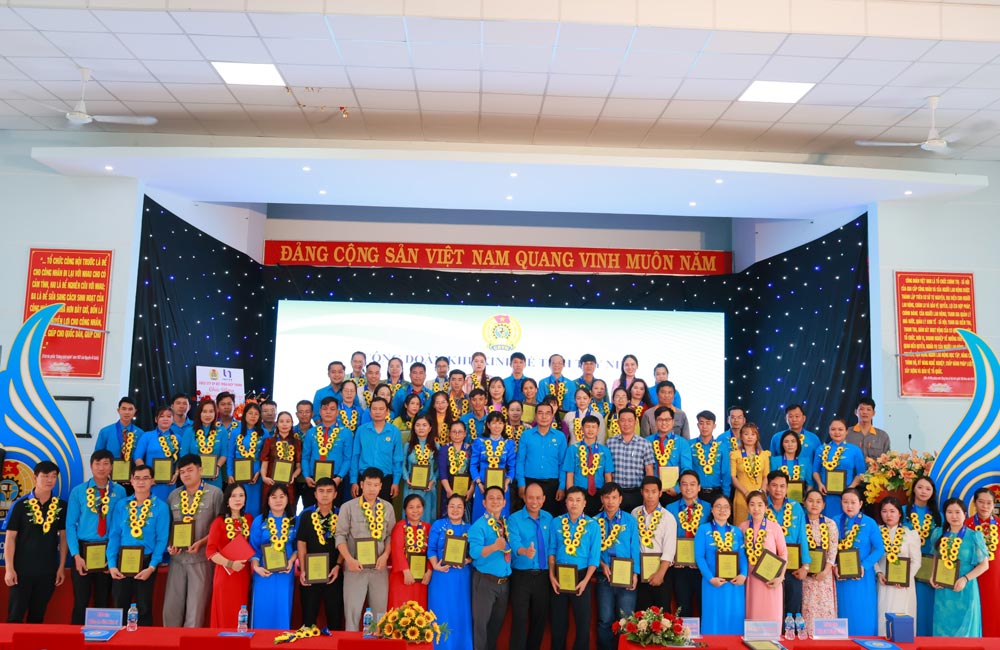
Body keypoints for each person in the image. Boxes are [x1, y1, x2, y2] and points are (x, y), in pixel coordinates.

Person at [66, 450, 127, 624]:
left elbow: (121, 526)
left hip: (108, 550)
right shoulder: (79, 491)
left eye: (106, 463)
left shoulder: (120, 491)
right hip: (83, 550)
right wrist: (76, 556)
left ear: (112, 466)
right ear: (91, 466)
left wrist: (113, 558)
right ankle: (76, 641)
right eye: (97, 464)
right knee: (81, 601)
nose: (101, 468)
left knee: (103, 601)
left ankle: (102, 640)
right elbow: (70, 525)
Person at [162, 454, 224, 627]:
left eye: (190, 470)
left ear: (200, 470)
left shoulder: (214, 494)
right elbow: (168, 527)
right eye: (182, 472)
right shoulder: (174, 496)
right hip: (177, 560)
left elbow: (219, 528)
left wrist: (202, 542)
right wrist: (170, 546)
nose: (186, 475)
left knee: (195, 612)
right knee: (171, 610)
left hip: (201, 560)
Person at [106, 463, 170, 627]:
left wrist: (152, 567)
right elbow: (114, 535)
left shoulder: (161, 507)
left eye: (145, 478)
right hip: (122, 562)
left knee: (144, 607)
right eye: (137, 478)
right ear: (131, 481)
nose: (141, 482)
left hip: (146, 563)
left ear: (153, 481)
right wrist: (112, 564)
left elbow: (161, 540)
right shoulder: (121, 505)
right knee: (120, 605)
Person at [4, 461, 67, 623]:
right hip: (21, 572)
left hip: (47, 572)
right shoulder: (20, 505)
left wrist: (60, 568)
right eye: (45, 476)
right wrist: (9, 569)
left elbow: (63, 537)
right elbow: (10, 538)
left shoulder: (61, 506)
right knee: (15, 616)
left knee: (37, 617)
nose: (50, 480)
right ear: (34, 478)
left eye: (53, 476)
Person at [336, 467, 396, 631]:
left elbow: (391, 536)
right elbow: (340, 536)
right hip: (355, 568)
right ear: (361, 484)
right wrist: (349, 560)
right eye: (368, 484)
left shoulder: (388, 508)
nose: (372, 489)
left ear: (381, 486)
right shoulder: (348, 507)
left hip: (379, 568)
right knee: (352, 615)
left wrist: (385, 556)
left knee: (380, 616)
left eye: (376, 485)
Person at [548, 487, 599, 650]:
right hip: (559, 575)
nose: (574, 504)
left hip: (582, 575)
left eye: (578, 500)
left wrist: (585, 581)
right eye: (571, 499)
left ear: (584, 503)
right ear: (566, 502)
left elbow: (594, 557)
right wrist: (551, 575)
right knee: (558, 622)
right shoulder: (556, 522)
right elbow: (552, 550)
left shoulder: (593, 525)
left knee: (583, 623)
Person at [931, 497, 990, 637]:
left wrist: (965, 578)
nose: (954, 516)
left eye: (958, 512)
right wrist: (933, 575)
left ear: (965, 513)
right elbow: (935, 557)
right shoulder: (938, 533)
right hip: (943, 591)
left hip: (965, 589)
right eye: (949, 512)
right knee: (942, 629)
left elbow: (984, 565)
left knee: (965, 633)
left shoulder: (974, 536)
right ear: (944, 514)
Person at [595, 482, 640, 650]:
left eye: (614, 497)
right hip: (604, 576)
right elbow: (592, 551)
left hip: (626, 576)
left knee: (626, 620)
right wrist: (602, 564)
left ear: (620, 499)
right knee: (605, 619)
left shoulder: (630, 520)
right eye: (607, 497)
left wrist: (635, 573)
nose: (610, 501)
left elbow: (635, 548)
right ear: (602, 499)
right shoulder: (594, 522)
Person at [508, 483, 552, 650]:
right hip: (521, 576)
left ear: (544, 499)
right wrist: (525, 551)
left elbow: (553, 546)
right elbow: (514, 543)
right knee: (519, 620)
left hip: (543, 576)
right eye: (531, 497)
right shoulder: (514, 519)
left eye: (538, 498)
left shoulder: (549, 518)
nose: (534, 501)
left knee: (539, 620)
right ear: (524, 498)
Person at [834, 487, 884, 636]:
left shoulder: (869, 523)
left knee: (863, 613)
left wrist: (865, 566)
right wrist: (834, 566)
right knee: (843, 610)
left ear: (860, 504)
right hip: (840, 577)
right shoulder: (834, 521)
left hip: (863, 577)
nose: (849, 506)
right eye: (845, 502)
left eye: (853, 502)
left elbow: (879, 549)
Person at [296, 477, 344, 631]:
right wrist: (303, 569)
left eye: (329, 491)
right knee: (308, 619)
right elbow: (301, 543)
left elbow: (346, 542)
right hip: (312, 573)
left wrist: (338, 565)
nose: (325, 495)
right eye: (321, 491)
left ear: (335, 494)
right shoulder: (305, 515)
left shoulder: (341, 514)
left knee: (335, 618)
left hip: (333, 573)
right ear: (315, 494)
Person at [696, 494, 748, 634]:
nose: (722, 510)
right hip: (712, 582)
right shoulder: (703, 530)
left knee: (734, 618)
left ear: (730, 511)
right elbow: (700, 557)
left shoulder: (736, 531)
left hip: (734, 583)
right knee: (713, 618)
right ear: (712, 510)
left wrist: (743, 574)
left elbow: (743, 556)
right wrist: (710, 578)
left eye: (726, 507)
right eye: (718, 506)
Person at [468, 486, 512, 650]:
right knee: (481, 626)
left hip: (504, 583)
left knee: (495, 626)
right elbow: (474, 553)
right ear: (484, 503)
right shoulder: (478, 526)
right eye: (491, 498)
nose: (495, 501)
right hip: (485, 582)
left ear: (504, 502)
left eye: (499, 498)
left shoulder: (504, 524)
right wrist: (494, 546)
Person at [249, 484, 298, 629]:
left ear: (288, 499)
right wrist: (256, 567)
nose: (278, 500)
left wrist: (291, 561)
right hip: (264, 573)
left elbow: (297, 547)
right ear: (268, 500)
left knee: (282, 608)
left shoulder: (293, 521)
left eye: (282, 496)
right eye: (274, 497)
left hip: (285, 572)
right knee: (262, 609)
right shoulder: (259, 521)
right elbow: (253, 548)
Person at [428, 494, 473, 650]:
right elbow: (431, 549)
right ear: (446, 508)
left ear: (464, 509)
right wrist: (435, 566)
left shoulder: (469, 528)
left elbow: (474, 553)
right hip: (441, 576)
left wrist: (467, 560)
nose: (455, 510)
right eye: (452, 506)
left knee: (461, 613)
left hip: (462, 578)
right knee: (441, 613)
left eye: (459, 506)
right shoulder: (438, 525)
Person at [206, 483, 253, 628]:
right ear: (227, 499)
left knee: (240, 613)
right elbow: (210, 552)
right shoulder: (219, 522)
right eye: (233, 496)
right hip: (225, 574)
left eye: (241, 495)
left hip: (243, 574)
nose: (238, 499)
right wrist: (231, 564)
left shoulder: (250, 520)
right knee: (224, 613)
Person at [765, 470, 811, 618]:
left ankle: (791, 638)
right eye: (774, 485)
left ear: (787, 487)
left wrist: (805, 566)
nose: (778, 489)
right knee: (770, 606)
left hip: (792, 564)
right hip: (767, 564)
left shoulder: (796, 507)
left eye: (782, 486)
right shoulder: (761, 505)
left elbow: (802, 537)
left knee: (792, 606)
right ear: (767, 486)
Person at [665, 470, 710, 616]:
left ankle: (706, 639)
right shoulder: (670, 509)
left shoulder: (710, 508)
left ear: (699, 487)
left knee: (704, 606)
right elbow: (667, 537)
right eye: (684, 484)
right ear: (679, 487)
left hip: (703, 566)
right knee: (683, 607)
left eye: (692, 484)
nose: (688, 488)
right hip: (680, 567)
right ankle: (685, 638)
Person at [875, 496, 921, 635]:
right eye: (884, 511)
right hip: (884, 582)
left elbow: (916, 561)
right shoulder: (876, 531)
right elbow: (872, 557)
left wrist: (905, 579)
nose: (888, 515)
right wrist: (878, 573)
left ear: (900, 513)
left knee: (903, 615)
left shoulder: (910, 534)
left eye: (892, 511)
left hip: (904, 585)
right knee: (883, 614)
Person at [740, 490, 787, 624]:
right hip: (751, 579)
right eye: (752, 505)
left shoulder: (774, 527)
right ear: (748, 507)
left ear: (766, 507)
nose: (756, 509)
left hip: (771, 580)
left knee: (771, 616)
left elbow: (783, 553)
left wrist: (780, 577)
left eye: (760, 505)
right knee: (753, 614)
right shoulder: (742, 527)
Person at [631, 476, 677, 610]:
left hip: (662, 572)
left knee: (662, 616)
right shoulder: (634, 513)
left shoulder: (668, 517)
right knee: (642, 616)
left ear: (660, 493)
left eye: (654, 491)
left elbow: (669, 549)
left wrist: (660, 574)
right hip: (641, 572)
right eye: (646, 491)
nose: (650, 495)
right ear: (641, 492)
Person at [517, 402, 568, 516]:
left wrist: (561, 486)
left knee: (551, 518)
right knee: (529, 518)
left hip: (552, 486)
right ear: (535, 416)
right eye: (540, 413)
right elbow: (520, 461)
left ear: (552, 416)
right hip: (530, 482)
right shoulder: (526, 435)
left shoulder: (560, 436)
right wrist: (521, 484)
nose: (544, 416)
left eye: (547, 413)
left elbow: (563, 463)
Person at [302, 397, 353, 510]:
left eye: (332, 409)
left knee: (335, 515)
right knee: (311, 513)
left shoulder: (346, 433)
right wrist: (306, 476)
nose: (328, 412)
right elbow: (305, 457)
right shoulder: (311, 433)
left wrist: (339, 478)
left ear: (337, 412)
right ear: (320, 412)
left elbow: (348, 458)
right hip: (313, 480)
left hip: (335, 480)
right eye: (325, 409)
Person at [905, 475, 940, 637]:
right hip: (906, 566)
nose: (924, 491)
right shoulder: (903, 511)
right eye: (920, 487)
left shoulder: (938, 515)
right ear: (913, 489)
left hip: (929, 567)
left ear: (933, 492)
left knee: (926, 606)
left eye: (928, 488)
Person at [801, 488, 839, 636]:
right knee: (807, 606)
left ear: (823, 505)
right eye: (810, 501)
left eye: (818, 502)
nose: (814, 505)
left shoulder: (830, 524)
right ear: (805, 503)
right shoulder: (799, 523)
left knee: (825, 608)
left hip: (825, 575)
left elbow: (833, 549)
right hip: (805, 574)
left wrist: (825, 571)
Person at [350, 397, 402, 502]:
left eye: (381, 409)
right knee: (363, 514)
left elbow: (397, 459)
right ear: (370, 411)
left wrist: (396, 482)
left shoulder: (394, 432)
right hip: (364, 479)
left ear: (387, 411)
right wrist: (354, 481)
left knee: (383, 514)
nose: (377, 412)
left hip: (385, 480)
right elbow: (355, 457)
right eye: (374, 409)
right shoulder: (361, 430)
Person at [563, 414, 614, 516]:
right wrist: (571, 496)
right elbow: (569, 475)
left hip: (598, 493)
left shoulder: (605, 451)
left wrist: (607, 497)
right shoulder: (573, 449)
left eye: (593, 427)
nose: (590, 430)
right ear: (582, 429)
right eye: (587, 427)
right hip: (579, 494)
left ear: (598, 429)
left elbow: (608, 476)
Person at [814, 418, 866, 519]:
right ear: (829, 431)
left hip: (847, 495)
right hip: (826, 494)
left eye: (840, 429)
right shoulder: (821, 449)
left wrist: (851, 487)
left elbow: (861, 473)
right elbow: (815, 471)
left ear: (846, 431)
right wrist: (820, 484)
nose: (837, 432)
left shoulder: (854, 450)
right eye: (833, 429)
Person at [607, 408, 655, 514]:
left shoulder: (644, 444)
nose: (626, 423)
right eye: (623, 420)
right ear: (618, 422)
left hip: (637, 493)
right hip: (616, 493)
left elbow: (649, 471)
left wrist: (648, 494)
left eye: (630, 420)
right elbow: (607, 471)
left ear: (635, 422)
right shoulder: (610, 443)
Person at [966, 487, 999, 637]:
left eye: (989, 503)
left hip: (995, 577)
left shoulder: (999, 524)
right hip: (972, 575)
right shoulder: (965, 525)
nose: (985, 507)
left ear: (994, 505)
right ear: (974, 503)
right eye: (981, 502)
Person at [388, 494, 431, 608]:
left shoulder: (428, 527)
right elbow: (397, 550)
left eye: (418, 507)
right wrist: (406, 571)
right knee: (400, 609)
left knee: (419, 611)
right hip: (402, 577)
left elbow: (432, 551)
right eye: (411, 507)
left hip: (421, 578)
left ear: (423, 508)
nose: (415, 511)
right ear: (405, 509)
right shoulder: (399, 526)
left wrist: (429, 571)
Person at [646, 405, 692, 506]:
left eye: (667, 419)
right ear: (655, 421)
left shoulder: (682, 443)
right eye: (660, 420)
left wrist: (677, 488)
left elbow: (686, 469)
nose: (664, 423)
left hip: (674, 493)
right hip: (652, 493)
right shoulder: (647, 442)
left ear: (673, 421)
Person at [472, 412, 515, 520]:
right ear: (488, 425)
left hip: (502, 487)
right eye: (494, 423)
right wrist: (479, 483)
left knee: (500, 518)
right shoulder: (479, 442)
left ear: (504, 425)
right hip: (482, 486)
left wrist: (507, 482)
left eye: (500, 423)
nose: (497, 426)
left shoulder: (509, 443)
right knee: (480, 517)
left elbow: (512, 467)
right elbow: (473, 465)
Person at [226, 402, 265, 518]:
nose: (253, 416)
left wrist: (259, 472)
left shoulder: (263, 433)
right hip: (239, 474)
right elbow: (230, 455)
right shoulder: (235, 432)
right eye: (250, 413)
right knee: (239, 505)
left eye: (256, 414)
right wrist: (229, 473)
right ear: (244, 415)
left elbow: (265, 457)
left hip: (256, 475)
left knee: (254, 506)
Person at [135, 406, 181, 502]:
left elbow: (181, 460)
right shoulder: (147, 436)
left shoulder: (178, 438)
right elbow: (137, 457)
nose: (165, 419)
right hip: (151, 482)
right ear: (156, 419)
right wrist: (147, 476)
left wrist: (176, 474)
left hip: (170, 482)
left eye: (169, 416)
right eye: (162, 416)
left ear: (173, 419)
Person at [94, 397, 145, 482]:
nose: (127, 412)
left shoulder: (140, 434)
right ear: (118, 410)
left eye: (130, 409)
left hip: (132, 477)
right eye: (124, 409)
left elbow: (142, 457)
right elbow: (97, 456)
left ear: (135, 411)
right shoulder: (105, 431)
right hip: (110, 475)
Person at [180, 399, 227, 490]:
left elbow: (224, 454)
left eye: (211, 411)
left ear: (215, 413)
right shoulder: (189, 431)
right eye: (204, 411)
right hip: (193, 476)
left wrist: (217, 467)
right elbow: (184, 455)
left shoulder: (222, 431)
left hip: (214, 477)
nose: (208, 415)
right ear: (199, 413)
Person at [260, 411, 303, 507]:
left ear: (292, 424)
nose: (284, 424)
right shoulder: (269, 441)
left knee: (288, 510)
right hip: (270, 482)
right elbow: (264, 463)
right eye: (281, 421)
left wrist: (293, 476)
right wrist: (264, 477)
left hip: (288, 483)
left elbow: (299, 466)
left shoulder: (297, 443)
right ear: (277, 424)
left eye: (288, 421)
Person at [403, 415, 438, 523]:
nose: (421, 428)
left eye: (424, 425)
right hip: (411, 488)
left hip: (428, 488)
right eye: (417, 425)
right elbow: (402, 464)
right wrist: (406, 478)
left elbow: (439, 468)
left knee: (426, 517)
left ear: (430, 428)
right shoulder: (408, 446)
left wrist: (433, 481)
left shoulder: (436, 446)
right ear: (414, 427)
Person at [731, 422, 768, 524]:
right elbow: (733, 477)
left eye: (753, 434)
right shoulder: (735, 454)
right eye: (746, 434)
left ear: (757, 437)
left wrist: (763, 492)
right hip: (742, 496)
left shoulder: (764, 455)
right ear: (741, 436)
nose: (749, 437)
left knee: (760, 526)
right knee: (741, 527)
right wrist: (746, 493)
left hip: (759, 497)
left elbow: (766, 476)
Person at [439, 420, 475, 519]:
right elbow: (442, 473)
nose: (457, 434)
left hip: (466, 491)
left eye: (460, 432)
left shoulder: (470, 449)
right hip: (449, 490)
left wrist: (471, 490)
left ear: (465, 433)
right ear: (449, 433)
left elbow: (474, 471)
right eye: (454, 432)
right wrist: (448, 490)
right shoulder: (444, 449)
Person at [846, 397, 891, 461]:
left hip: (874, 471)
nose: (865, 412)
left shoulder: (882, 436)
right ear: (856, 412)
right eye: (861, 409)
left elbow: (887, 460)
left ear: (873, 413)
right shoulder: (846, 434)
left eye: (868, 409)